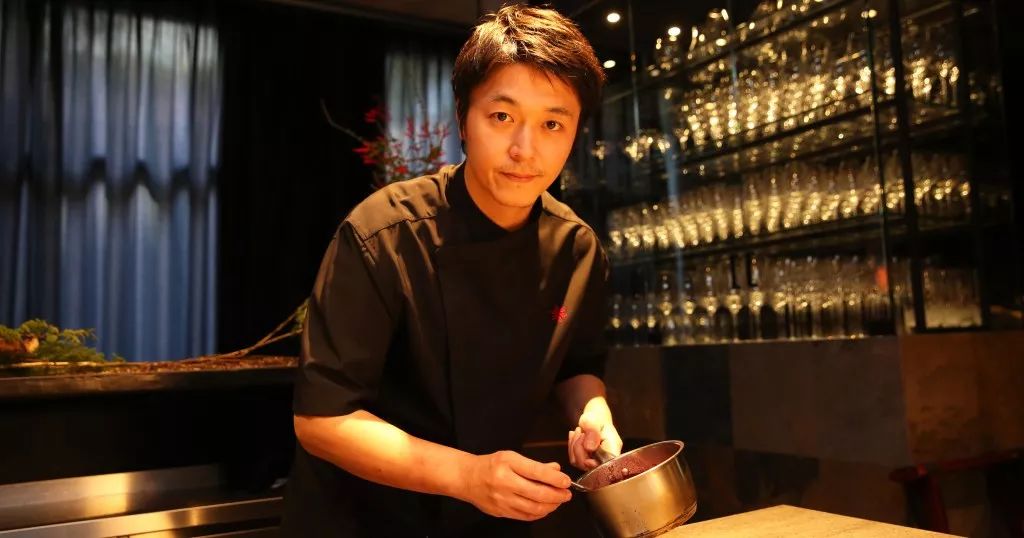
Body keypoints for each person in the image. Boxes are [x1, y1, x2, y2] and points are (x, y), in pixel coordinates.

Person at [281, 5, 621, 536]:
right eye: (502, 117)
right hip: (363, 519)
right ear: (463, 118)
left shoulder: (577, 249)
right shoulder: (384, 233)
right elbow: (323, 420)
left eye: (552, 124)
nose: (524, 149)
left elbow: (578, 364)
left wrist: (592, 412)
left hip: (487, 519)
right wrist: (466, 475)